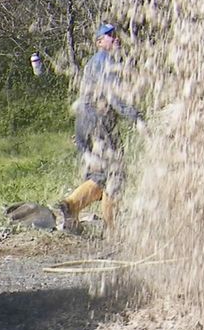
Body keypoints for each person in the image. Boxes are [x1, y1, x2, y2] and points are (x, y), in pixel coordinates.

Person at [56, 23, 141, 235]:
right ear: (99, 42)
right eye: (109, 35)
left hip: (84, 121)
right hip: (100, 123)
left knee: (101, 175)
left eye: (115, 35)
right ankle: (111, 230)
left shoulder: (92, 63)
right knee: (116, 175)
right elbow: (114, 97)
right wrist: (137, 118)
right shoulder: (105, 61)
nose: (116, 38)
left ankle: (71, 204)